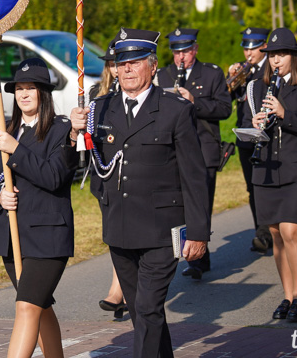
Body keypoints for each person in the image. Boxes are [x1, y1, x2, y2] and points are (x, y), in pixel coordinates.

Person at [69, 28, 210, 358]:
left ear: (153, 65)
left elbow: (194, 175)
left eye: (134, 61)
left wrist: (199, 233)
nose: (126, 69)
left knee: (146, 308)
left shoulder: (175, 110)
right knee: (143, 313)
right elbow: (84, 163)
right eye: (121, 62)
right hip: (119, 228)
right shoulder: (100, 109)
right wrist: (73, 131)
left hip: (161, 230)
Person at [0, 58, 78, 358]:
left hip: (48, 238)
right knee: (40, 306)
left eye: (30, 88)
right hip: (13, 238)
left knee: (26, 306)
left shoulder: (60, 130)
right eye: (19, 88)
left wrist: (16, 149)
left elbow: (54, 176)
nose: (23, 94)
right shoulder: (2, 131)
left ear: (43, 93)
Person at [243, 28, 297, 323]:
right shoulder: (257, 88)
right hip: (266, 170)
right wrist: (253, 124)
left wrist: (284, 113)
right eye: (272, 56)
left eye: (281, 55)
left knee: (292, 230)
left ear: (293, 57)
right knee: (276, 234)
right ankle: (288, 294)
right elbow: (243, 130)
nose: (275, 61)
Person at [157, 27, 232, 279]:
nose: (181, 57)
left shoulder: (210, 73)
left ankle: (199, 257)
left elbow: (224, 109)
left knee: (201, 203)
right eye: (176, 51)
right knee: (179, 205)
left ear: (195, 49)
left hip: (204, 148)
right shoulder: (163, 75)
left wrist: (194, 103)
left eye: (186, 51)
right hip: (173, 151)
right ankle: (194, 254)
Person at [88, 33, 126, 317]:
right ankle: (123, 286)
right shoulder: (94, 94)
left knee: (130, 231)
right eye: (112, 63)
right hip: (104, 171)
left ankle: (118, 290)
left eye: (120, 61)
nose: (116, 68)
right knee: (113, 233)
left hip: (131, 172)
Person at [228, 26, 273, 253]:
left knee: (266, 185)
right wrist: (232, 77)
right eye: (246, 48)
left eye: (253, 47)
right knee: (252, 188)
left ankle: (268, 232)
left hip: (266, 136)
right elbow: (227, 97)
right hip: (246, 137)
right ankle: (261, 232)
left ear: (264, 46)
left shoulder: (270, 68)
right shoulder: (244, 71)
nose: (248, 52)